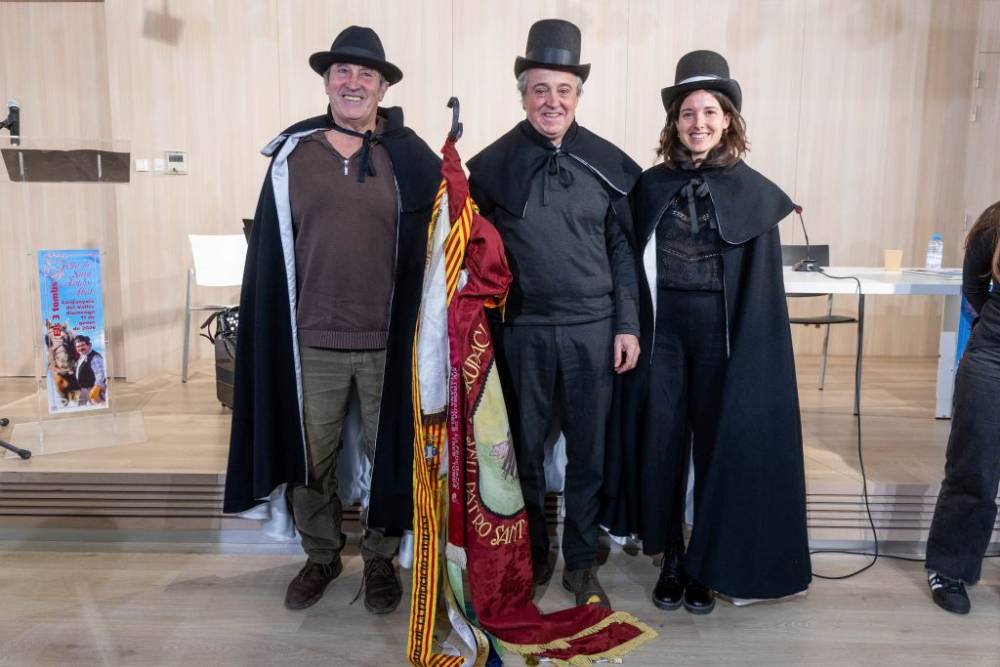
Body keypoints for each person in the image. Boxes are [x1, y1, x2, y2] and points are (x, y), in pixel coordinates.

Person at [222, 26, 441, 615]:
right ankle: (320, 554)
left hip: (389, 340)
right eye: (342, 71)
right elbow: (271, 254)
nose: (353, 82)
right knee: (309, 457)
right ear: (326, 82)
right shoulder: (293, 155)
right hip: (311, 339)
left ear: (383, 88)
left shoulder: (410, 158)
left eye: (367, 74)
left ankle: (379, 557)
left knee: (387, 453)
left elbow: (442, 238)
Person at [612, 50, 811, 614]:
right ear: (674, 123)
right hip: (663, 340)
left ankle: (706, 560)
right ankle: (672, 557)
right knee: (663, 445)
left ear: (727, 120)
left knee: (717, 448)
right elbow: (628, 264)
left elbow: (759, 294)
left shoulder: (756, 194)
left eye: (708, 113)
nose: (697, 123)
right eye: (687, 113)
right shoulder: (649, 186)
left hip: (722, 342)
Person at [467, 19, 641, 608]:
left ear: (577, 97)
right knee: (525, 453)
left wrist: (627, 324)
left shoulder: (607, 163)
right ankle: (534, 554)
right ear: (523, 95)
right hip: (523, 332)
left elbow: (622, 252)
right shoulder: (491, 167)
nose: (552, 101)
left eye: (564, 90)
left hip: (594, 330)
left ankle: (582, 562)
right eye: (540, 89)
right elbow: (474, 256)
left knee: (589, 453)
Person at [925, 201, 1000, 615]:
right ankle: (949, 568)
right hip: (992, 359)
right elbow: (973, 288)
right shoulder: (995, 222)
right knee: (975, 469)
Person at [73, 335, 106, 405]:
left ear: (89, 345)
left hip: (93, 389)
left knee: (98, 407)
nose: (80, 348)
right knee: (80, 407)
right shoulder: (81, 357)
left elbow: (100, 373)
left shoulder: (95, 357)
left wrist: (97, 387)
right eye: (78, 346)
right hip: (82, 389)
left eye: (82, 345)